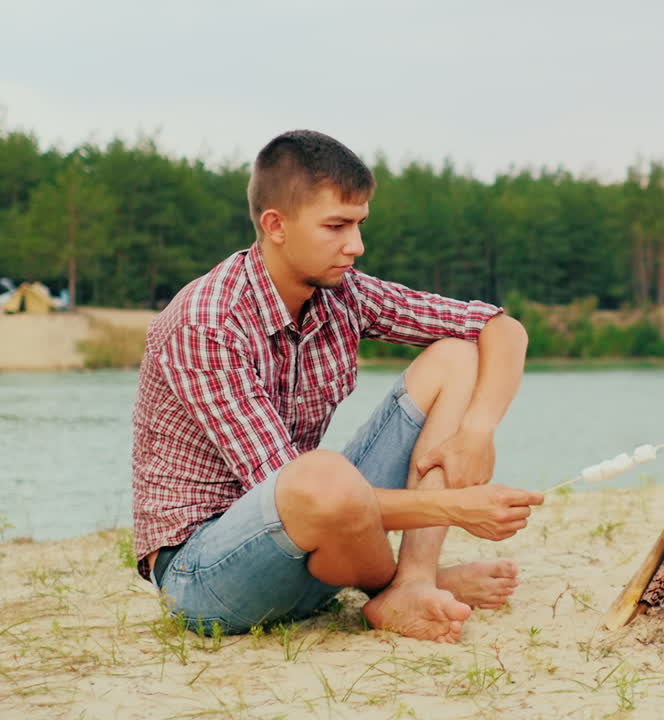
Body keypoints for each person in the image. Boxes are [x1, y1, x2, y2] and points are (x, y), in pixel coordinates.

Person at [130, 129, 543, 643]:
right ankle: (398, 584)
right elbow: (293, 490)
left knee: (456, 355)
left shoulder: (342, 292)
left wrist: (478, 432)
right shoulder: (206, 322)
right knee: (320, 476)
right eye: (336, 226)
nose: (356, 245)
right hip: (205, 576)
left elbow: (500, 328)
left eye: (360, 224)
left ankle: (409, 585)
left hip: (319, 545)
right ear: (275, 225)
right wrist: (457, 508)